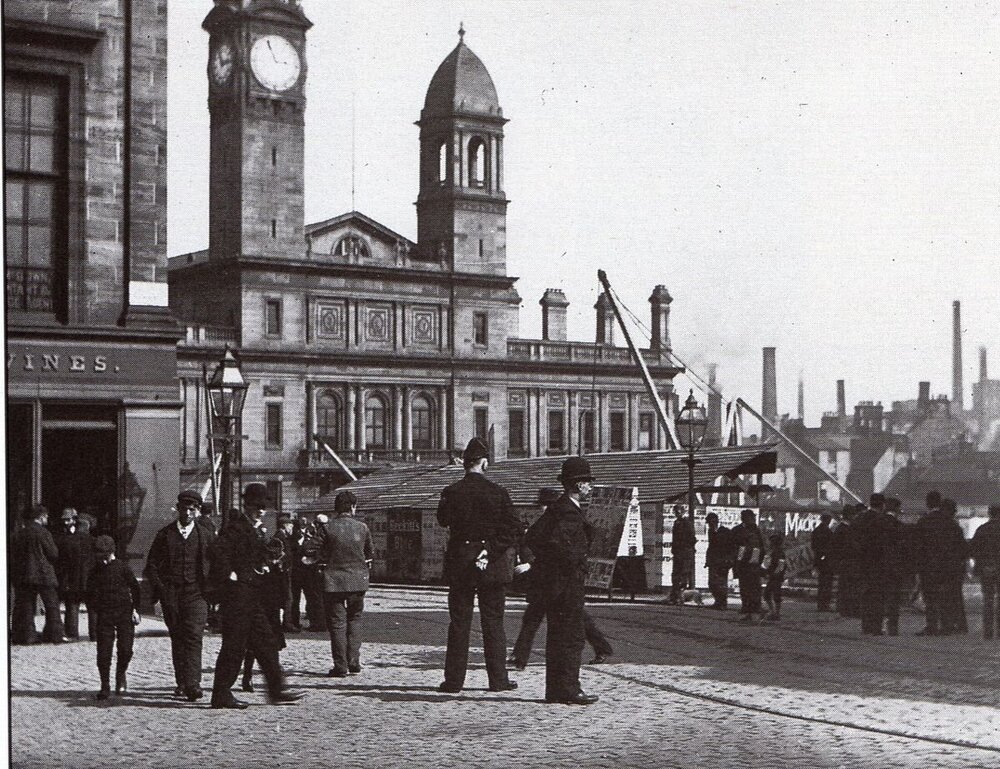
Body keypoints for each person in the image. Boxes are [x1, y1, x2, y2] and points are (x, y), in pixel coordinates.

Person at [436, 437, 521, 694]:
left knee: (459, 622)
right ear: (484, 463)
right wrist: (489, 551)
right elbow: (513, 529)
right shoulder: (499, 492)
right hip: (492, 566)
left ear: (464, 463)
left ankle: (453, 682)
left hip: (461, 563)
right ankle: (498, 680)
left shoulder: (451, 492)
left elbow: (442, 520)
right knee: (493, 622)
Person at [210, 483, 303, 708]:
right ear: (246, 505)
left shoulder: (256, 530)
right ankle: (220, 694)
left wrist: (268, 562)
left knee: (267, 644)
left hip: (253, 598)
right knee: (233, 648)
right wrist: (230, 574)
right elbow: (217, 552)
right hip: (238, 598)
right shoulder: (235, 528)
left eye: (263, 507)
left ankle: (276, 690)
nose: (261, 511)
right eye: (256, 507)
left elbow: (256, 557)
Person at [523, 457, 600, 705]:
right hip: (568, 585)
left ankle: (555, 689)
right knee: (572, 637)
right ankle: (569, 689)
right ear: (577, 485)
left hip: (554, 584)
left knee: (557, 636)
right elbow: (563, 545)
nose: (589, 486)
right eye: (587, 482)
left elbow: (533, 537)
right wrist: (572, 563)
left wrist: (547, 566)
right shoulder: (569, 512)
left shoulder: (557, 508)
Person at [508, 488, 613, 669]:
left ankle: (602, 647)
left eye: (546, 505)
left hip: (556, 580)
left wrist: (531, 564)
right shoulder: (545, 521)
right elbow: (531, 543)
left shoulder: (560, 520)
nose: (542, 509)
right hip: (543, 580)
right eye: (542, 505)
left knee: (577, 617)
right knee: (532, 618)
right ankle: (519, 656)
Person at [145, 489, 215, 702]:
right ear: (178, 510)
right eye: (183, 509)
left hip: (197, 594)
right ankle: (181, 682)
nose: (187, 513)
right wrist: (162, 590)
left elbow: (215, 565)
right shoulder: (164, 535)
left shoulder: (205, 535)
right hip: (172, 595)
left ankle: (193, 684)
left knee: (194, 636)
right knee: (178, 638)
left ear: (197, 511)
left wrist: (213, 591)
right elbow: (152, 566)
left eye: (192, 509)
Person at [320, 491, 374, 677]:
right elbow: (370, 553)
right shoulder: (362, 528)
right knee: (355, 619)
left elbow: (318, 552)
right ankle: (354, 662)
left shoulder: (328, 528)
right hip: (358, 581)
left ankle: (340, 666)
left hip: (334, 582)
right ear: (352, 507)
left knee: (337, 623)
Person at [87, 535, 140, 700]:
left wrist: (136, 610)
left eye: (105, 557)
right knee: (104, 652)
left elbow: (135, 589)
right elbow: (89, 592)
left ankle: (120, 674)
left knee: (125, 649)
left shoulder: (123, 568)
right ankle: (105, 685)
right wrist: (95, 609)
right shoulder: (95, 571)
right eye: (99, 557)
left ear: (112, 553)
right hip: (105, 614)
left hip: (124, 612)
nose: (103, 561)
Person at [10, 504, 66, 645]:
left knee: (26, 605)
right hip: (43, 573)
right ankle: (55, 634)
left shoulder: (19, 534)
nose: (47, 518)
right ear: (40, 517)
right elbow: (53, 553)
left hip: (24, 574)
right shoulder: (43, 533)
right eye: (46, 516)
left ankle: (27, 636)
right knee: (52, 605)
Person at [241, 536, 290, 693]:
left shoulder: (281, 567)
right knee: (252, 645)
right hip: (258, 608)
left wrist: (284, 607)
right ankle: (247, 675)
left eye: (276, 557)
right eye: (272, 557)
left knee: (273, 644)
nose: (274, 560)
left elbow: (284, 588)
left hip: (273, 609)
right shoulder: (258, 567)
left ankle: (273, 680)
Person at [914, 490, 966, 636]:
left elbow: (918, 547)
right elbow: (961, 547)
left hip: (928, 567)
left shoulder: (923, 522)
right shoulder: (951, 523)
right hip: (947, 568)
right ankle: (946, 626)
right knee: (945, 597)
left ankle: (931, 626)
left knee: (930, 598)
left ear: (927, 503)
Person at [55, 507, 95, 640]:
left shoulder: (65, 541)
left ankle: (72, 634)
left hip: (72, 578)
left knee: (72, 605)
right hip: (89, 578)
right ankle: (95, 634)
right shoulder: (93, 541)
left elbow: (61, 561)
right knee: (93, 606)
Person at [969, 505, 1000, 640]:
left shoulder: (982, 529)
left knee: (988, 599)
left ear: (989, 514)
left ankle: (988, 632)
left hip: (987, 568)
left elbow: (973, 549)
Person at [731, 508, 765, 622]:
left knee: (754, 588)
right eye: (751, 517)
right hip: (744, 564)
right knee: (745, 588)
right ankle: (747, 610)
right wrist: (738, 562)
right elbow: (736, 548)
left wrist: (758, 561)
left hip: (753, 564)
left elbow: (761, 547)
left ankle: (755, 610)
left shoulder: (756, 530)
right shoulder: (738, 531)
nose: (753, 520)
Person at [941, 498, 968, 634]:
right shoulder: (955, 527)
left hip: (941, 567)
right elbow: (963, 548)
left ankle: (948, 624)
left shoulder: (940, 526)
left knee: (945, 597)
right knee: (956, 596)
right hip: (955, 567)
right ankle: (960, 624)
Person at [273, 513, 299, 632]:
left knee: (286, 598)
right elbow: (278, 555)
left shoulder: (283, 537)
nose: (291, 529)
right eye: (290, 526)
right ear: (284, 526)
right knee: (287, 598)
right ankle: (286, 623)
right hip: (281, 573)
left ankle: (285, 622)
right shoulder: (279, 538)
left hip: (285, 572)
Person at [666, 505, 697, 605]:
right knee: (676, 575)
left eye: (678, 512)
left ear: (682, 512)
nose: (677, 514)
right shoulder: (676, 523)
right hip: (678, 553)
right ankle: (675, 595)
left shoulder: (687, 523)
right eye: (675, 512)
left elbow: (692, 538)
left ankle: (681, 596)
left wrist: (684, 547)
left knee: (683, 575)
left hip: (685, 554)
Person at [705, 512, 734, 610]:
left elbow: (730, 546)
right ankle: (718, 601)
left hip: (722, 561)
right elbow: (711, 547)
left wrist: (729, 559)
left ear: (716, 521)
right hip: (714, 561)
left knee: (721, 582)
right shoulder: (711, 532)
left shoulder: (724, 531)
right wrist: (708, 560)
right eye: (709, 522)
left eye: (712, 522)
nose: (711, 524)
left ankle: (722, 602)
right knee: (712, 583)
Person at [811, 513, 835, 612]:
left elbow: (813, 546)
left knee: (822, 583)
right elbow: (831, 547)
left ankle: (821, 604)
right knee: (827, 583)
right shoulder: (828, 532)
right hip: (826, 560)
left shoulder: (816, 531)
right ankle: (825, 604)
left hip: (819, 559)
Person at [762, 533, 787, 621]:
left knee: (773, 595)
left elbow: (780, 566)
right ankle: (774, 612)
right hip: (774, 576)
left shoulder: (778, 553)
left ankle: (775, 613)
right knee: (769, 594)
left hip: (776, 577)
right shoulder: (773, 552)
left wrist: (774, 574)